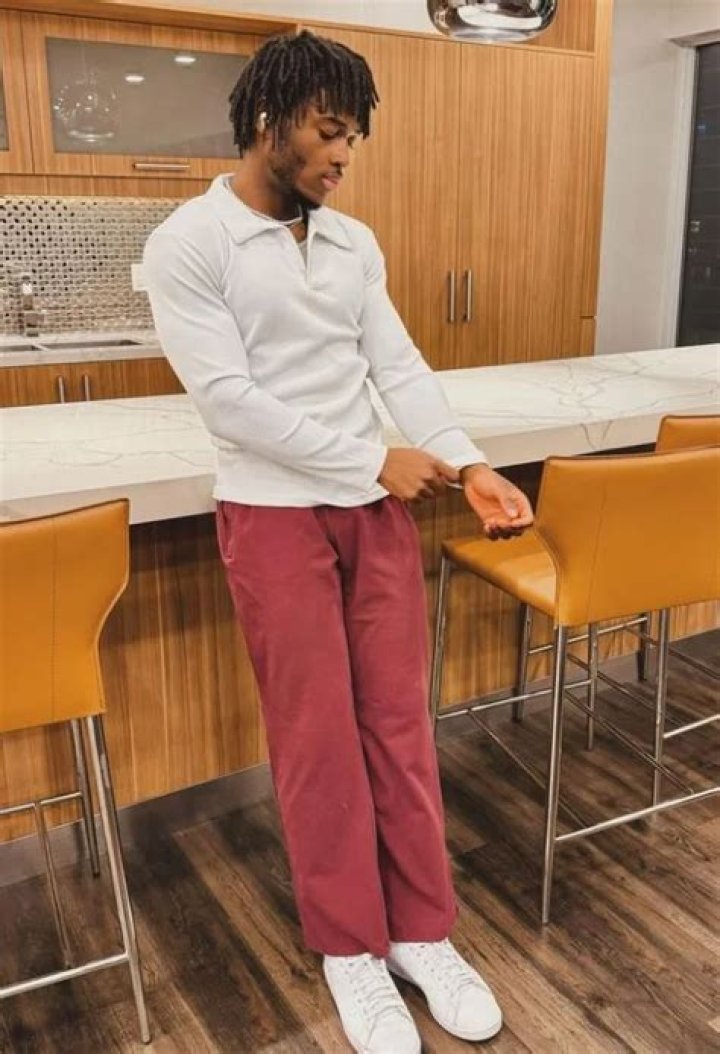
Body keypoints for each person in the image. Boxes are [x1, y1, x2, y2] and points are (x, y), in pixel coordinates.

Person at [144, 29, 533, 1054]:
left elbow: (396, 365)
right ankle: (350, 948)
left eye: (352, 136)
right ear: (271, 120)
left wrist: (469, 461)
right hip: (273, 515)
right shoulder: (189, 242)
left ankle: (420, 932)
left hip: (372, 513)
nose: (343, 154)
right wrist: (371, 457)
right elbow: (230, 403)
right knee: (316, 741)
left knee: (400, 726)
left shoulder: (354, 243)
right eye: (328, 131)